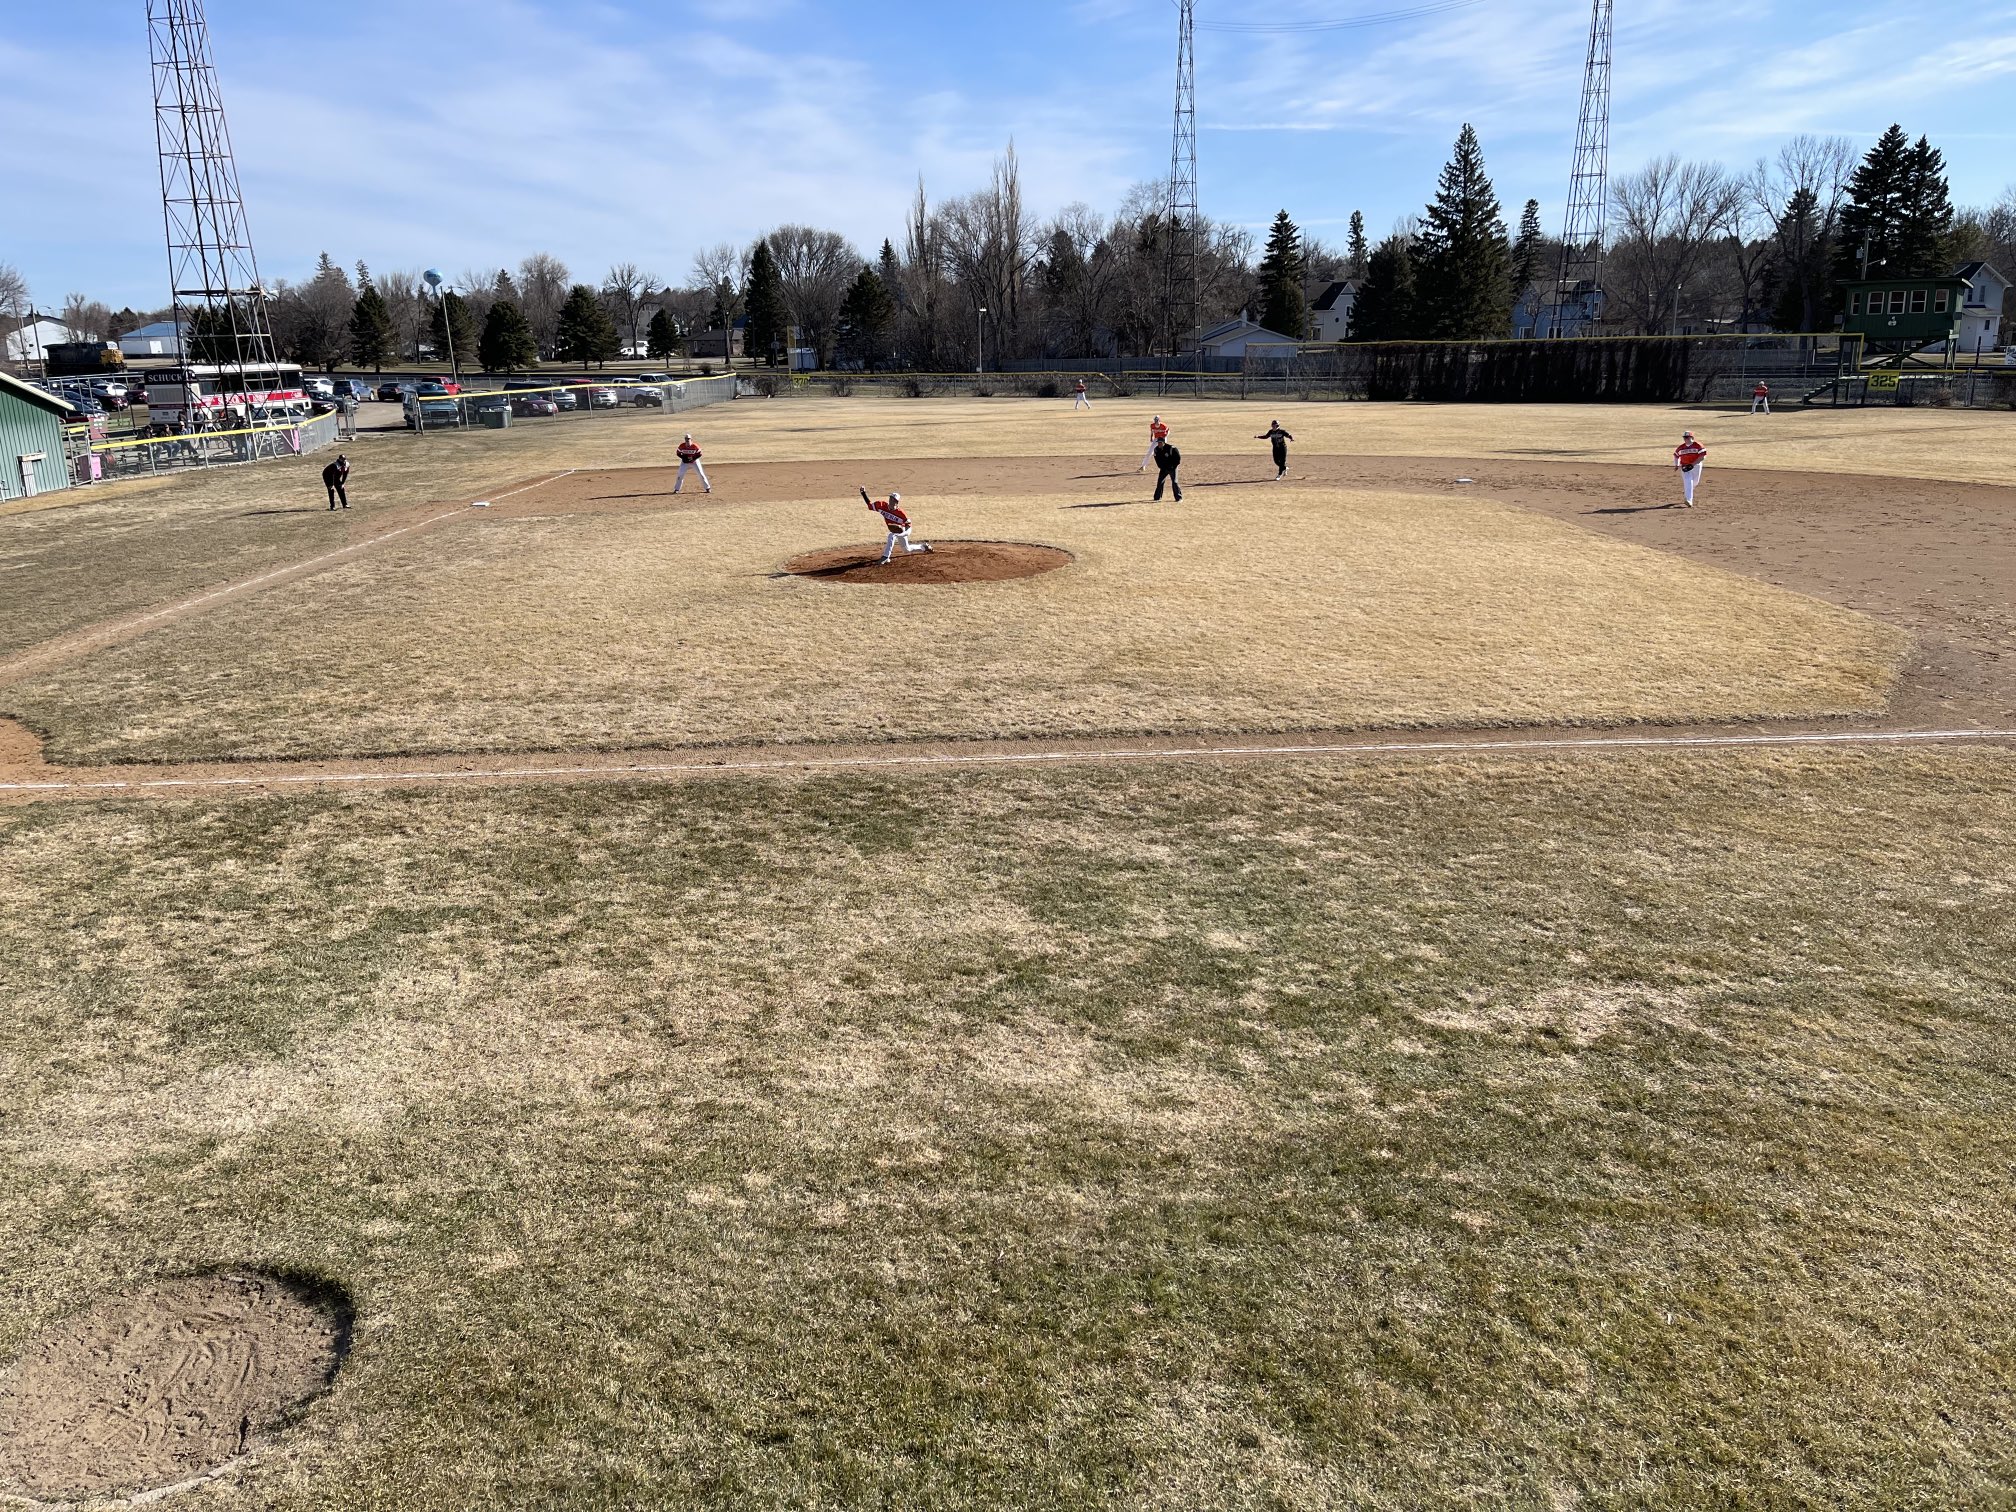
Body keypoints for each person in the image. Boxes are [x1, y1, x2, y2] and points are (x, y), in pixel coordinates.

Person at [861, 487, 934, 563]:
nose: (890, 500)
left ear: (896, 502)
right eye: (890, 498)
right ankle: (923, 547)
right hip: (895, 530)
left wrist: (902, 534)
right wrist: (863, 493)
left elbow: (909, 528)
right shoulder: (881, 505)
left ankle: (886, 557)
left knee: (891, 535)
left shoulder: (901, 514)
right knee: (906, 550)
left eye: (893, 499)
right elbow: (870, 506)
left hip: (902, 531)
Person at [1672, 430, 1707, 507]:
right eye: (1684, 437)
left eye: (1687, 437)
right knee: (1688, 482)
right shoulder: (1681, 448)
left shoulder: (1698, 445)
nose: (1686, 439)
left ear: (1692, 438)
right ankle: (1689, 500)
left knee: (1695, 482)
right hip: (1685, 467)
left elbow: (1702, 457)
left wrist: (1692, 464)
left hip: (1696, 466)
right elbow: (1676, 456)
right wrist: (1677, 465)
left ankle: (1688, 491)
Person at [1151, 437, 1182, 502]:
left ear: (1164, 442)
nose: (1159, 444)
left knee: (1175, 482)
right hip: (1164, 468)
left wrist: (1174, 466)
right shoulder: (1156, 449)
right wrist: (1160, 466)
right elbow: (1156, 459)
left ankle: (1178, 498)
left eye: (1160, 443)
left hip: (1172, 468)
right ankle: (1157, 497)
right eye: (1158, 443)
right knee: (1160, 482)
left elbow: (1178, 458)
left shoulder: (1171, 448)